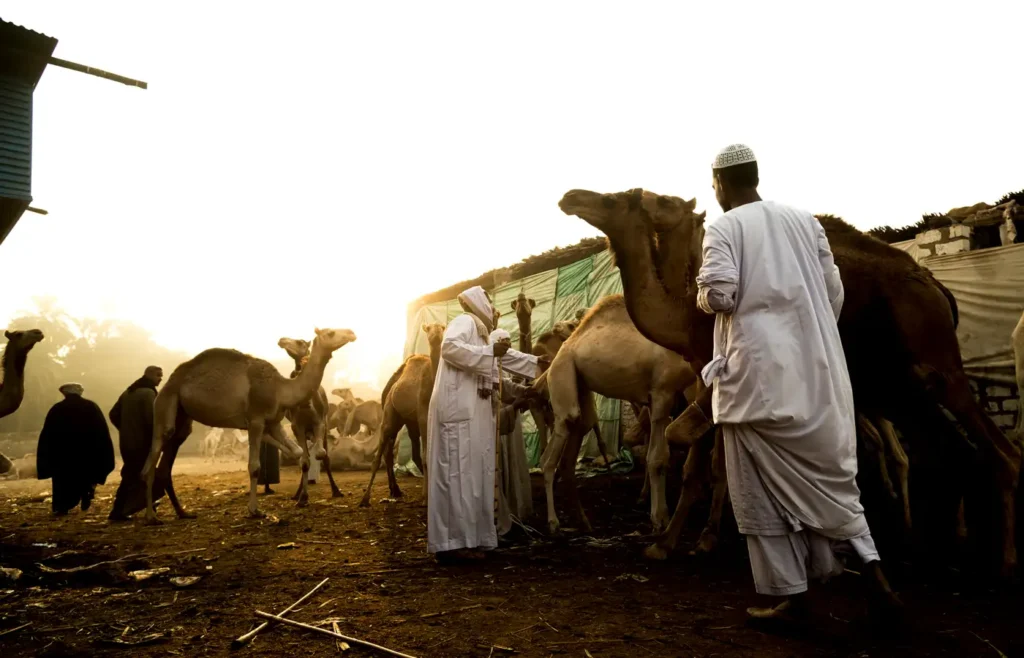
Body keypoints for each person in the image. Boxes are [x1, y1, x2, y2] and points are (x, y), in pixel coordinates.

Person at [696, 144, 900, 624]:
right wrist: (806, 335)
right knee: (831, 480)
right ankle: (874, 574)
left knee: (759, 490)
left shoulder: (722, 227)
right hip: (817, 371)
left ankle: (799, 598)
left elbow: (721, 294)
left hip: (755, 380)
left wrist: (704, 298)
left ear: (721, 183)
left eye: (713, 185)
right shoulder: (805, 220)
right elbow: (833, 292)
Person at [427, 286, 538, 562]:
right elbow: (450, 348)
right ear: (478, 302)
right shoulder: (464, 322)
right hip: (457, 414)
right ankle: (452, 545)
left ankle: (472, 540)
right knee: (457, 477)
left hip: (472, 416)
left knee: (473, 477)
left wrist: (540, 365)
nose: (493, 306)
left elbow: (504, 358)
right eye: (489, 300)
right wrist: (490, 352)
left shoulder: (482, 335)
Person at [36, 383, 115, 516]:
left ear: (65, 393)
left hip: (63, 455)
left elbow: (48, 435)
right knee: (85, 476)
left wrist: (47, 456)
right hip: (86, 453)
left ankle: (62, 507)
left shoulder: (57, 409)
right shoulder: (91, 407)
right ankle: (86, 493)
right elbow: (101, 432)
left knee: (63, 481)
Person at [490, 329, 535, 539]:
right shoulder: (484, 370)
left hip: (507, 423)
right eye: (503, 342)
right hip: (495, 426)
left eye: (509, 341)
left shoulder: (499, 368)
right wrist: (513, 406)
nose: (507, 345)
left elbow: (507, 386)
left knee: (513, 466)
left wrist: (525, 392)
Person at [108, 366, 162, 521]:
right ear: (149, 375)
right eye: (158, 375)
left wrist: (124, 429)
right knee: (145, 476)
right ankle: (119, 512)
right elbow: (152, 419)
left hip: (127, 442)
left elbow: (113, 414)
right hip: (142, 443)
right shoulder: (149, 393)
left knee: (132, 475)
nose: (160, 378)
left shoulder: (128, 392)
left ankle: (135, 509)